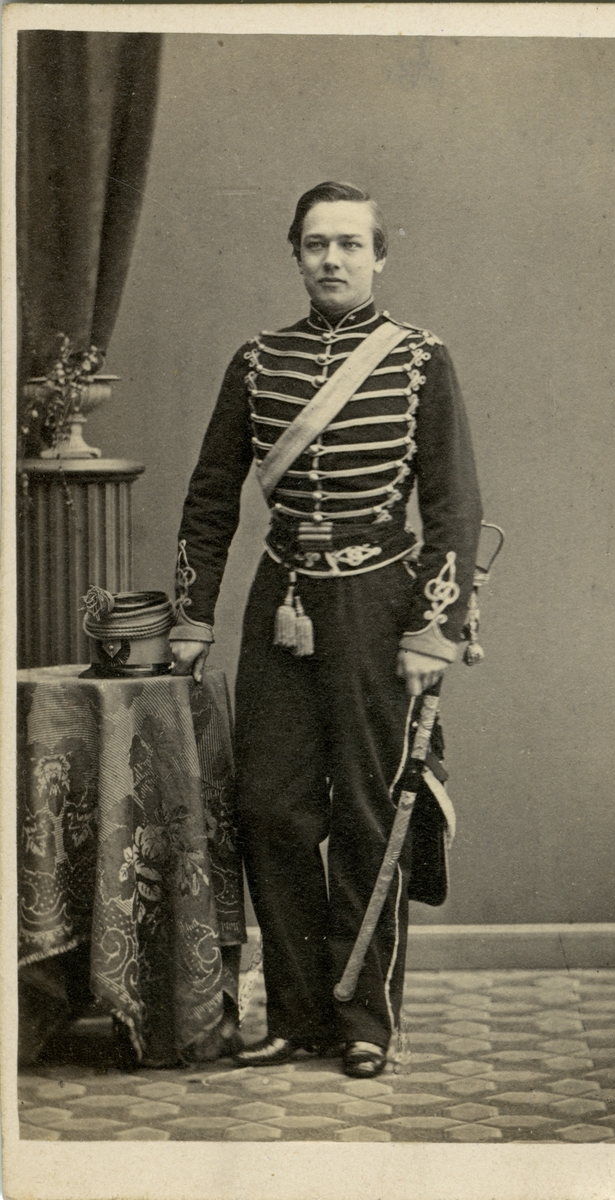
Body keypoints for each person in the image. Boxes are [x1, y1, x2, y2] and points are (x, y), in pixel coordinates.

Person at [169, 181, 482, 1079]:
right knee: (270, 808)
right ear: (296, 255)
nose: (332, 260)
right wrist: (192, 616)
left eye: (349, 244)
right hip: (281, 603)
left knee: (371, 810)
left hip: (380, 606)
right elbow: (209, 498)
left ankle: (364, 1020)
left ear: (379, 256)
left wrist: (433, 629)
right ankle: (296, 1014)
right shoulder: (256, 361)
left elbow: (453, 506)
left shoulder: (419, 360)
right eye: (316, 244)